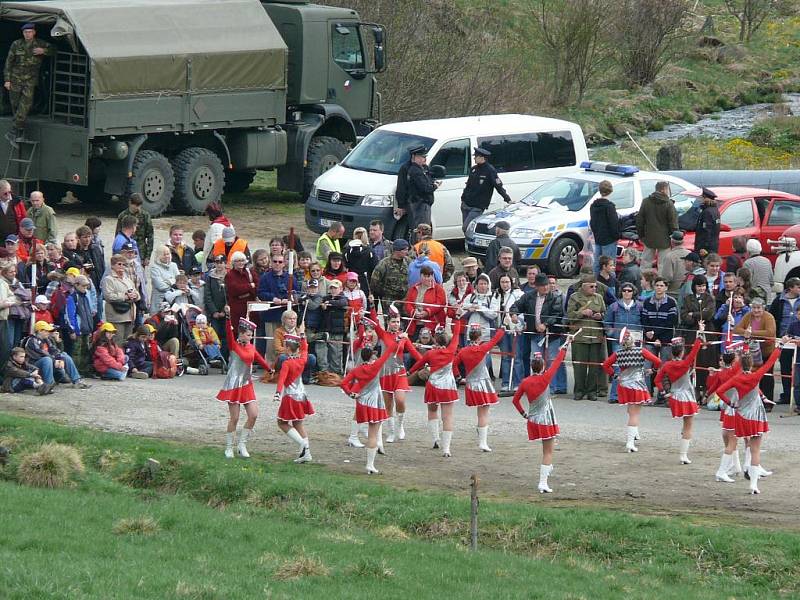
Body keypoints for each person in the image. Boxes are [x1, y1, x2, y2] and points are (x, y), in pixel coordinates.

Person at [715, 346, 782, 494]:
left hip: (741, 415)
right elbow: (769, 363)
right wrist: (779, 347)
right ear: (751, 364)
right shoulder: (755, 376)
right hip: (756, 416)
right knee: (755, 450)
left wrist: (731, 403)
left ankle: (741, 468)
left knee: (742, 443)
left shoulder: (736, 378)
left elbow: (719, 391)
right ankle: (753, 484)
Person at [512, 335, 574, 493]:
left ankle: (547, 471)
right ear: (542, 366)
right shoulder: (546, 378)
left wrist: (524, 414)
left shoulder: (525, 382)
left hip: (533, 418)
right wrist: (566, 345)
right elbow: (558, 361)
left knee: (547, 449)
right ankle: (543, 482)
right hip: (546, 419)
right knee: (548, 452)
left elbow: (515, 401)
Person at [341, 323, 399, 474]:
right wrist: (398, 340)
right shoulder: (376, 366)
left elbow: (343, 383)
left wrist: (350, 393)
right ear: (372, 355)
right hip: (375, 403)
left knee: (368, 429)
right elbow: (390, 351)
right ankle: (370, 464)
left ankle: (356, 438)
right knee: (373, 433)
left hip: (361, 401)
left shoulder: (356, 370)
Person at [216, 318, 272, 459]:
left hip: (247, 384)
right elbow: (228, 333)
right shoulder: (234, 345)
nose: (250, 336)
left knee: (253, 415)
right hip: (234, 384)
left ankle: (242, 445)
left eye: (251, 334)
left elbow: (258, 357)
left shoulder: (251, 346)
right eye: (248, 334)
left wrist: (269, 368)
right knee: (234, 418)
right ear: (241, 333)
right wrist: (228, 318)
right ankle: (229, 448)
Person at [408, 320, 463, 457]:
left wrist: (410, 372)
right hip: (448, 386)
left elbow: (418, 363)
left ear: (435, 340)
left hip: (433, 385)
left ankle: (435, 439)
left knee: (432, 410)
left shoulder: (430, 354)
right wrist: (458, 318)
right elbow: (456, 334)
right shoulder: (451, 351)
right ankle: (446, 449)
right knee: (448, 416)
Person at [602, 329, 661, 452]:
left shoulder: (618, 353)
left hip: (623, 384)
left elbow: (605, 365)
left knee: (631, 409)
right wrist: (653, 371)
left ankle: (634, 434)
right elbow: (658, 361)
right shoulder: (641, 351)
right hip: (637, 384)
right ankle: (630, 442)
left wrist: (615, 376)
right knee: (635, 414)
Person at [654, 333, 704, 464]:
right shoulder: (685, 363)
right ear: (681, 352)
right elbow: (695, 350)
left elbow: (657, 380)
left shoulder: (667, 365)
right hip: (687, 396)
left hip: (674, 395)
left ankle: (683, 449)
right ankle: (683, 455)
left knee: (685, 425)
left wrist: (665, 392)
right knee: (688, 426)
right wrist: (699, 335)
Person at [454, 325, 505, 451]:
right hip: (483, 384)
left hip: (471, 384)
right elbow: (496, 339)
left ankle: (481, 431)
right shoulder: (483, 348)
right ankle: (483, 441)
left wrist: (459, 378)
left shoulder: (463, 351)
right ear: (480, 337)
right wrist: (502, 328)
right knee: (484, 413)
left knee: (480, 413)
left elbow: (453, 365)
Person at [3, 23, 54, 142]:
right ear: (23, 33)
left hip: (30, 80)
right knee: (15, 104)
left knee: (25, 105)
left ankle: (14, 130)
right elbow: (8, 62)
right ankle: (19, 131)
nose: (28, 34)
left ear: (34, 32)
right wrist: (7, 80)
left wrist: (44, 51)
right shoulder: (16, 44)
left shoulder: (40, 44)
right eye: (26, 32)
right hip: (15, 79)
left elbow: (54, 50)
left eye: (30, 32)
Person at [378, 309, 423, 444]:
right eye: (393, 322)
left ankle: (400, 425)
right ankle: (391, 432)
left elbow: (414, 353)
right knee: (388, 405)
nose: (396, 324)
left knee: (400, 399)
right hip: (386, 372)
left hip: (400, 371)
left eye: (397, 322)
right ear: (388, 322)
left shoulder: (404, 337)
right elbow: (374, 322)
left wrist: (426, 362)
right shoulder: (384, 334)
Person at [273, 327, 315, 463]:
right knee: (298, 424)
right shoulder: (302, 359)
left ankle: (303, 445)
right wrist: (302, 336)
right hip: (302, 395)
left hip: (290, 396)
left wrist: (278, 393)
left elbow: (281, 380)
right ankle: (307, 454)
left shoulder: (286, 363)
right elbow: (305, 349)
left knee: (282, 422)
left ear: (288, 348)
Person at [603, 282, 645, 404]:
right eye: (624, 290)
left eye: (629, 290)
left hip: (635, 342)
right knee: (618, 368)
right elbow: (607, 322)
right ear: (621, 292)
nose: (627, 292)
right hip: (619, 342)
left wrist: (641, 334)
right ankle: (615, 395)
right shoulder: (614, 307)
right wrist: (612, 333)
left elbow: (644, 321)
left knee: (635, 369)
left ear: (633, 292)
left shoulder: (639, 307)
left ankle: (633, 395)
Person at [705, 352, 743, 482]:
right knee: (732, 442)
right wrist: (745, 344)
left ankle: (735, 466)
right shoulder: (734, 372)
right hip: (734, 409)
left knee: (727, 438)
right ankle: (721, 471)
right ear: (733, 362)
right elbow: (742, 363)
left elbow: (713, 388)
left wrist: (706, 395)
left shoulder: (721, 373)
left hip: (727, 409)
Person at [567, 276, 606, 401]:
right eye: (591, 286)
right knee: (579, 366)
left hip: (595, 336)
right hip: (580, 336)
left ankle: (592, 391)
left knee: (594, 367)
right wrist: (581, 313)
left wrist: (601, 316)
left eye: (595, 286)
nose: (594, 288)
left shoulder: (598, 298)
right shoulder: (575, 297)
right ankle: (579, 390)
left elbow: (606, 314)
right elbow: (569, 316)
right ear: (583, 286)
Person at [257, 252, 301, 362]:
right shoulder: (265, 277)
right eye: (275, 261)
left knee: (288, 341)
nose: (277, 264)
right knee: (272, 342)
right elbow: (261, 293)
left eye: (280, 262)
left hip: (287, 314)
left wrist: (288, 299)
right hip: (271, 314)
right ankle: (271, 366)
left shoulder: (291, 278)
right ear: (271, 263)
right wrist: (273, 298)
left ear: (284, 264)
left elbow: (296, 294)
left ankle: (287, 363)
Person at [23, 320, 91, 390]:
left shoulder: (46, 339)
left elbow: (55, 350)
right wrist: (55, 360)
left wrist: (60, 358)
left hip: (49, 364)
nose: (49, 333)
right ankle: (48, 385)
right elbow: (41, 354)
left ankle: (77, 381)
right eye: (47, 331)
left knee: (64, 355)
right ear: (40, 331)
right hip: (34, 366)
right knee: (47, 359)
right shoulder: (32, 340)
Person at [732, 297, 776, 402]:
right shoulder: (748, 316)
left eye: (758, 308)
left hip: (766, 351)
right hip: (752, 352)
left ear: (763, 308)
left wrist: (751, 333)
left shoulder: (769, 317)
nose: (756, 310)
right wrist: (747, 332)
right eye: (754, 308)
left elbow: (770, 332)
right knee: (750, 375)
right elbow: (736, 329)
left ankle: (768, 401)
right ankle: (751, 399)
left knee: (766, 375)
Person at [460, 147, 512, 233]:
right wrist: (463, 198)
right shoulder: (474, 169)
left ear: (482, 158)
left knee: (466, 227)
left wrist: (508, 199)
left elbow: (498, 186)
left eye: (476, 156)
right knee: (467, 230)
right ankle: (470, 245)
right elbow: (468, 185)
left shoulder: (490, 170)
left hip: (477, 206)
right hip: (466, 204)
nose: (474, 158)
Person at [770, 276, 800, 406]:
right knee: (785, 368)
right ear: (791, 288)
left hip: (798, 341)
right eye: (798, 286)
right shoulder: (779, 301)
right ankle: (787, 394)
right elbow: (773, 317)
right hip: (785, 340)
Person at [636, 181, 677, 269]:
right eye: (667, 189)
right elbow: (673, 223)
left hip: (649, 238)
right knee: (663, 264)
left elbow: (639, 220)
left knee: (645, 263)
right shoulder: (669, 204)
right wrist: (674, 236)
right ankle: (661, 282)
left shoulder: (646, 201)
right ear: (664, 190)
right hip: (665, 239)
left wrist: (641, 236)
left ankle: (644, 281)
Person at [641, 277, 679, 370]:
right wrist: (652, 335)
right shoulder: (647, 302)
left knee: (665, 367)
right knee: (646, 366)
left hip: (666, 340)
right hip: (650, 339)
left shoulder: (671, 302)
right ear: (654, 287)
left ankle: (663, 385)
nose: (659, 287)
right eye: (657, 285)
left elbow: (670, 322)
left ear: (666, 288)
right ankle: (646, 385)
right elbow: (644, 320)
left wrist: (656, 335)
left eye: (661, 286)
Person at [102, 254, 139, 344]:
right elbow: (108, 296)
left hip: (130, 315)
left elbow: (137, 293)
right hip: (116, 316)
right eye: (119, 264)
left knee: (128, 342)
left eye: (124, 264)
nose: (122, 266)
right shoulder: (109, 279)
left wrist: (135, 295)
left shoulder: (128, 280)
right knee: (117, 342)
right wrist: (125, 296)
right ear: (112, 266)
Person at [404, 145, 439, 236]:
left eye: (425, 157)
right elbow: (425, 188)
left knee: (421, 228)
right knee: (422, 229)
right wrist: (435, 186)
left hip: (423, 203)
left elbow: (428, 181)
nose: (424, 159)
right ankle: (420, 248)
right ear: (414, 157)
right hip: (420, 203)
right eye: (422, 157)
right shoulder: (415, 171)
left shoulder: (422, 169)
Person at [274, 310, 316, 384]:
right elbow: (278, 348)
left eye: (294, 319)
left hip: (298, 356)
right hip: (286, 355)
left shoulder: (299, 331)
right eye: (290, 319)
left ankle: (305, 378)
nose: (292, 320)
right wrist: (291, 353)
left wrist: (302, 334)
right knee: (282, 358)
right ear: (284, 320)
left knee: (311, 358)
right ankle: (285, 377)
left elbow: (304, 347)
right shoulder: (278, 331)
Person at [317, 278, 347, 376]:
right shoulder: (326, 298)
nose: (333, 290)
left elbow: (343, 303)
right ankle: (324, 373)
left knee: (336, 354)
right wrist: (324, 305)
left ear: (341, 289)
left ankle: (336, 374)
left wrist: (329, 304)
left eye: (336, 288)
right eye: (332, 288)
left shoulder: (343, 298)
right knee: (322, 352)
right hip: (326, 329)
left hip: (337, 330)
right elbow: (320, 303)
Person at [589, 180, 619, 274]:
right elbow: (613, 224)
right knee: (610, 264)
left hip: (598, 238)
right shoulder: (610, 206)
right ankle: (611, 285)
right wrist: (617, 236)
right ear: (610, 191)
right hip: (609, 239)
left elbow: (592, 222)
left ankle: (595, 282)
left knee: (597, 263)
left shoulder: (593, 205)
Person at [370, 239, 412, 306]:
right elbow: (374, 281)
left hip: (404, 300)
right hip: (389, 300)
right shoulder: (384, 263)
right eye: (404, 250)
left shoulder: (408, 261)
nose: (407, 252)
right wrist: (383, 292)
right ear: (397, 251)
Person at [224, 251, 258, 330]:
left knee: (251, 330)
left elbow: (257, 285)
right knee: (238, 330)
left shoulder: (250, 272)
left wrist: (247, 288)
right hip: (236, 308)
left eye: (242, 260)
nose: (240, 263)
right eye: (237, 261)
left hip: (250, 306)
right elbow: (234, 290)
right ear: (233, 262)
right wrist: (250, 286)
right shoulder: (230, 275)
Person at [204, 255, 229, 358]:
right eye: (217, 262)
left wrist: (224, 310)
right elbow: (207, 295)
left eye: (221, 262)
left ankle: (225, 357)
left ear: (225, 263)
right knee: (215, 334)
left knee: (226, 335)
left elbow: (230, 295)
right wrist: (214, 311)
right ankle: (215, 357)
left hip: (226, 311)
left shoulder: (229, 276)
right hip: (214, 313)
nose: (219, 264)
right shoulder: (210, 277)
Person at [343, 227, 376, 291]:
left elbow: (344, 265)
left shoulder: (347, 250)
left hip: (351, 280)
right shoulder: (370, 251)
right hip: (365, 281)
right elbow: (374, 267)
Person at [149, 245, 179, 310]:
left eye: (168, 254)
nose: (166, 256)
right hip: (160, 300)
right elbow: (161, 286)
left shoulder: (174, 265)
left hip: (174, 300)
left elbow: (179, 282)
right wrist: (173, 282)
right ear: (159, 256)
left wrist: (167, 281)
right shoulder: (154, 268)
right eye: (164, 255)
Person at [694, 188, 720, 256]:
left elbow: (707, 231)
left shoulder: (707, 212)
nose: (700, 199)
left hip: (706, 249)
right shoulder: (715, 210)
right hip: (712, 247)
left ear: (706, 198)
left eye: (702, 197)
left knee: (705, 265)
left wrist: (704, 248)